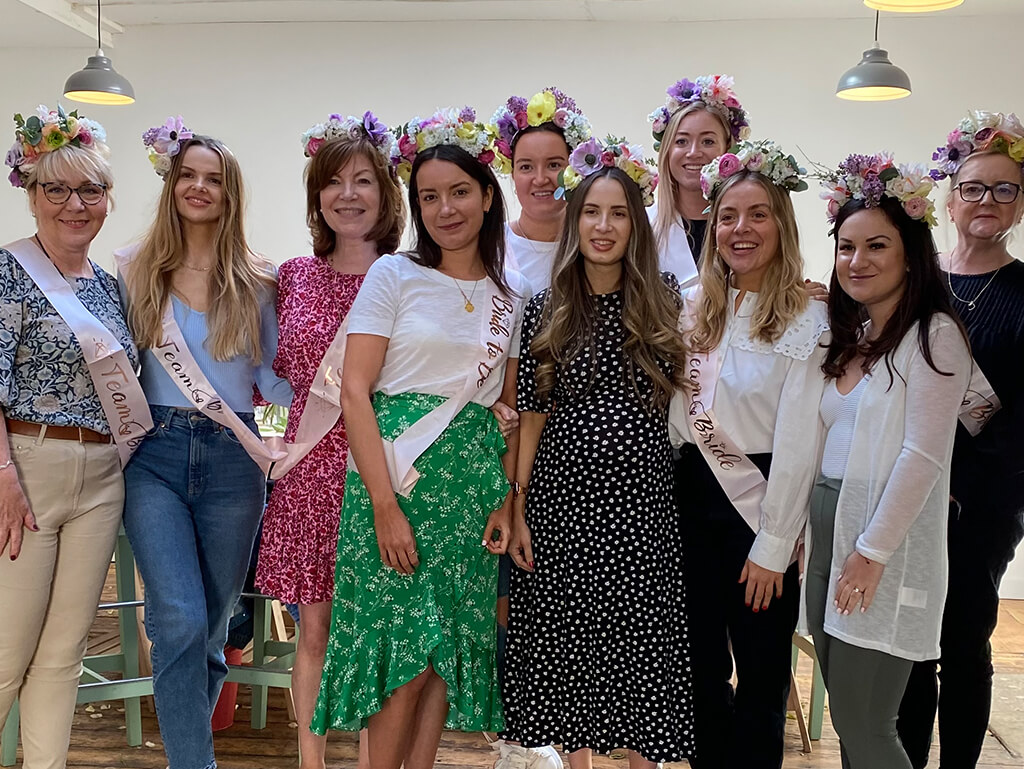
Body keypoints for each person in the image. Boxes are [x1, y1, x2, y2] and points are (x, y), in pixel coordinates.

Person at [310, 107, 527, 769]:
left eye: (459, 192)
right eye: (429, 196)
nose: (445, 208)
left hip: (467, 494)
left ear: (488, 197)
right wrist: (383, 505)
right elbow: (355, 389)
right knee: (399, 659)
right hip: (396, 484)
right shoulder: (393, 276)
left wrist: (503, 499)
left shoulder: (508, 297)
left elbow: (510, 406)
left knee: (442, 659)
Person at [501, 138, 694, 768]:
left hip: (642, 508)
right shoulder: (548, 306)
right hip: (562, 508)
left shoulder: (664, 298)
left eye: (617, 213)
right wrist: (520, 505)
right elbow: (531, 416)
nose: (603, 226)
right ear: (574, 221)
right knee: (569, 651)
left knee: (641, 653)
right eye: (591, 212)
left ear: (635, 223)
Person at [119, 122, 292, 769]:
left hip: (232, 464)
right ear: (171, 184)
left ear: (230, 194)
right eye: (188, 174)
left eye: (213, 178)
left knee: (215, 635)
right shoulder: (136, 272)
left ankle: (186, 751)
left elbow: (276, 378)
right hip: (153, 460)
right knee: (180, 621)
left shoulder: (257, 280)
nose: (199, 186)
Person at [669, 140, 828, 769]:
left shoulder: (809, 319)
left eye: (758, 214)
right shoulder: (688, 304)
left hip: (761, 501)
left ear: (781, 225)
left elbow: (798, 444)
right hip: (688, 496)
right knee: (699, 671)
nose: (741, 229)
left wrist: (771, 545)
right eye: (729, 216)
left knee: (762, 675)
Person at [0, 105, 149, 769]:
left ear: (107, 201)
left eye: (90, 190)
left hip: (101, 479)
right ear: (31, 196)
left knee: (64, 655)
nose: (74, 204)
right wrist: (3, 474)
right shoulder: (8, 272)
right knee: (7, 654)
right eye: (56, 189)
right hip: (26, 470)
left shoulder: (113, 289)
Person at [811, 153, 971, 769]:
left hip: (879, 533)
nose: (858, 261)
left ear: (911, 252)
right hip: (829, 523)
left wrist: (871, 552)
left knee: (866, 722)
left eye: (876, 245)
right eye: (846, 247)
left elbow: (924, 455)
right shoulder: (852, 335)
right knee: (853, 724)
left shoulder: (934, 334)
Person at [255, 112, 404, 769]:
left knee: (375, 633)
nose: (349, 193)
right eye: (334, 181)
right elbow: (264, 372)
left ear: (385, 193)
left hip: (383, 476)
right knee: (313, 629)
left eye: (364, 180)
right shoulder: (291, 276)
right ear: (317, 196)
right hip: (311, 475)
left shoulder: (409, 278)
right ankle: (310, 760)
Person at [897, 111, 1024, 769]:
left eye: (1005, 189)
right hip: (903, 493)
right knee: (911, 641)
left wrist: (964, 487)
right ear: (950, 197)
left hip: (981, 504)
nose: (986, 201)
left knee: (964, 639)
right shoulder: (914, 277)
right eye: (974, 187)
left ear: (1021, 203)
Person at [648, 74, 750, 287]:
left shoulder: (748, 226)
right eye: (682, 141)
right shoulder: (643, 225)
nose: (693, 153)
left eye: (708, 141)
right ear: (667, 151)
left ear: (727, 150)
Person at [492, 87, 592, 293]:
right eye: (526, 167)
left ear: (574, 169)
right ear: (513, 174)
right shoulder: (491, 246)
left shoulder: (594, 241)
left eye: (554, 165)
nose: (540, 179)